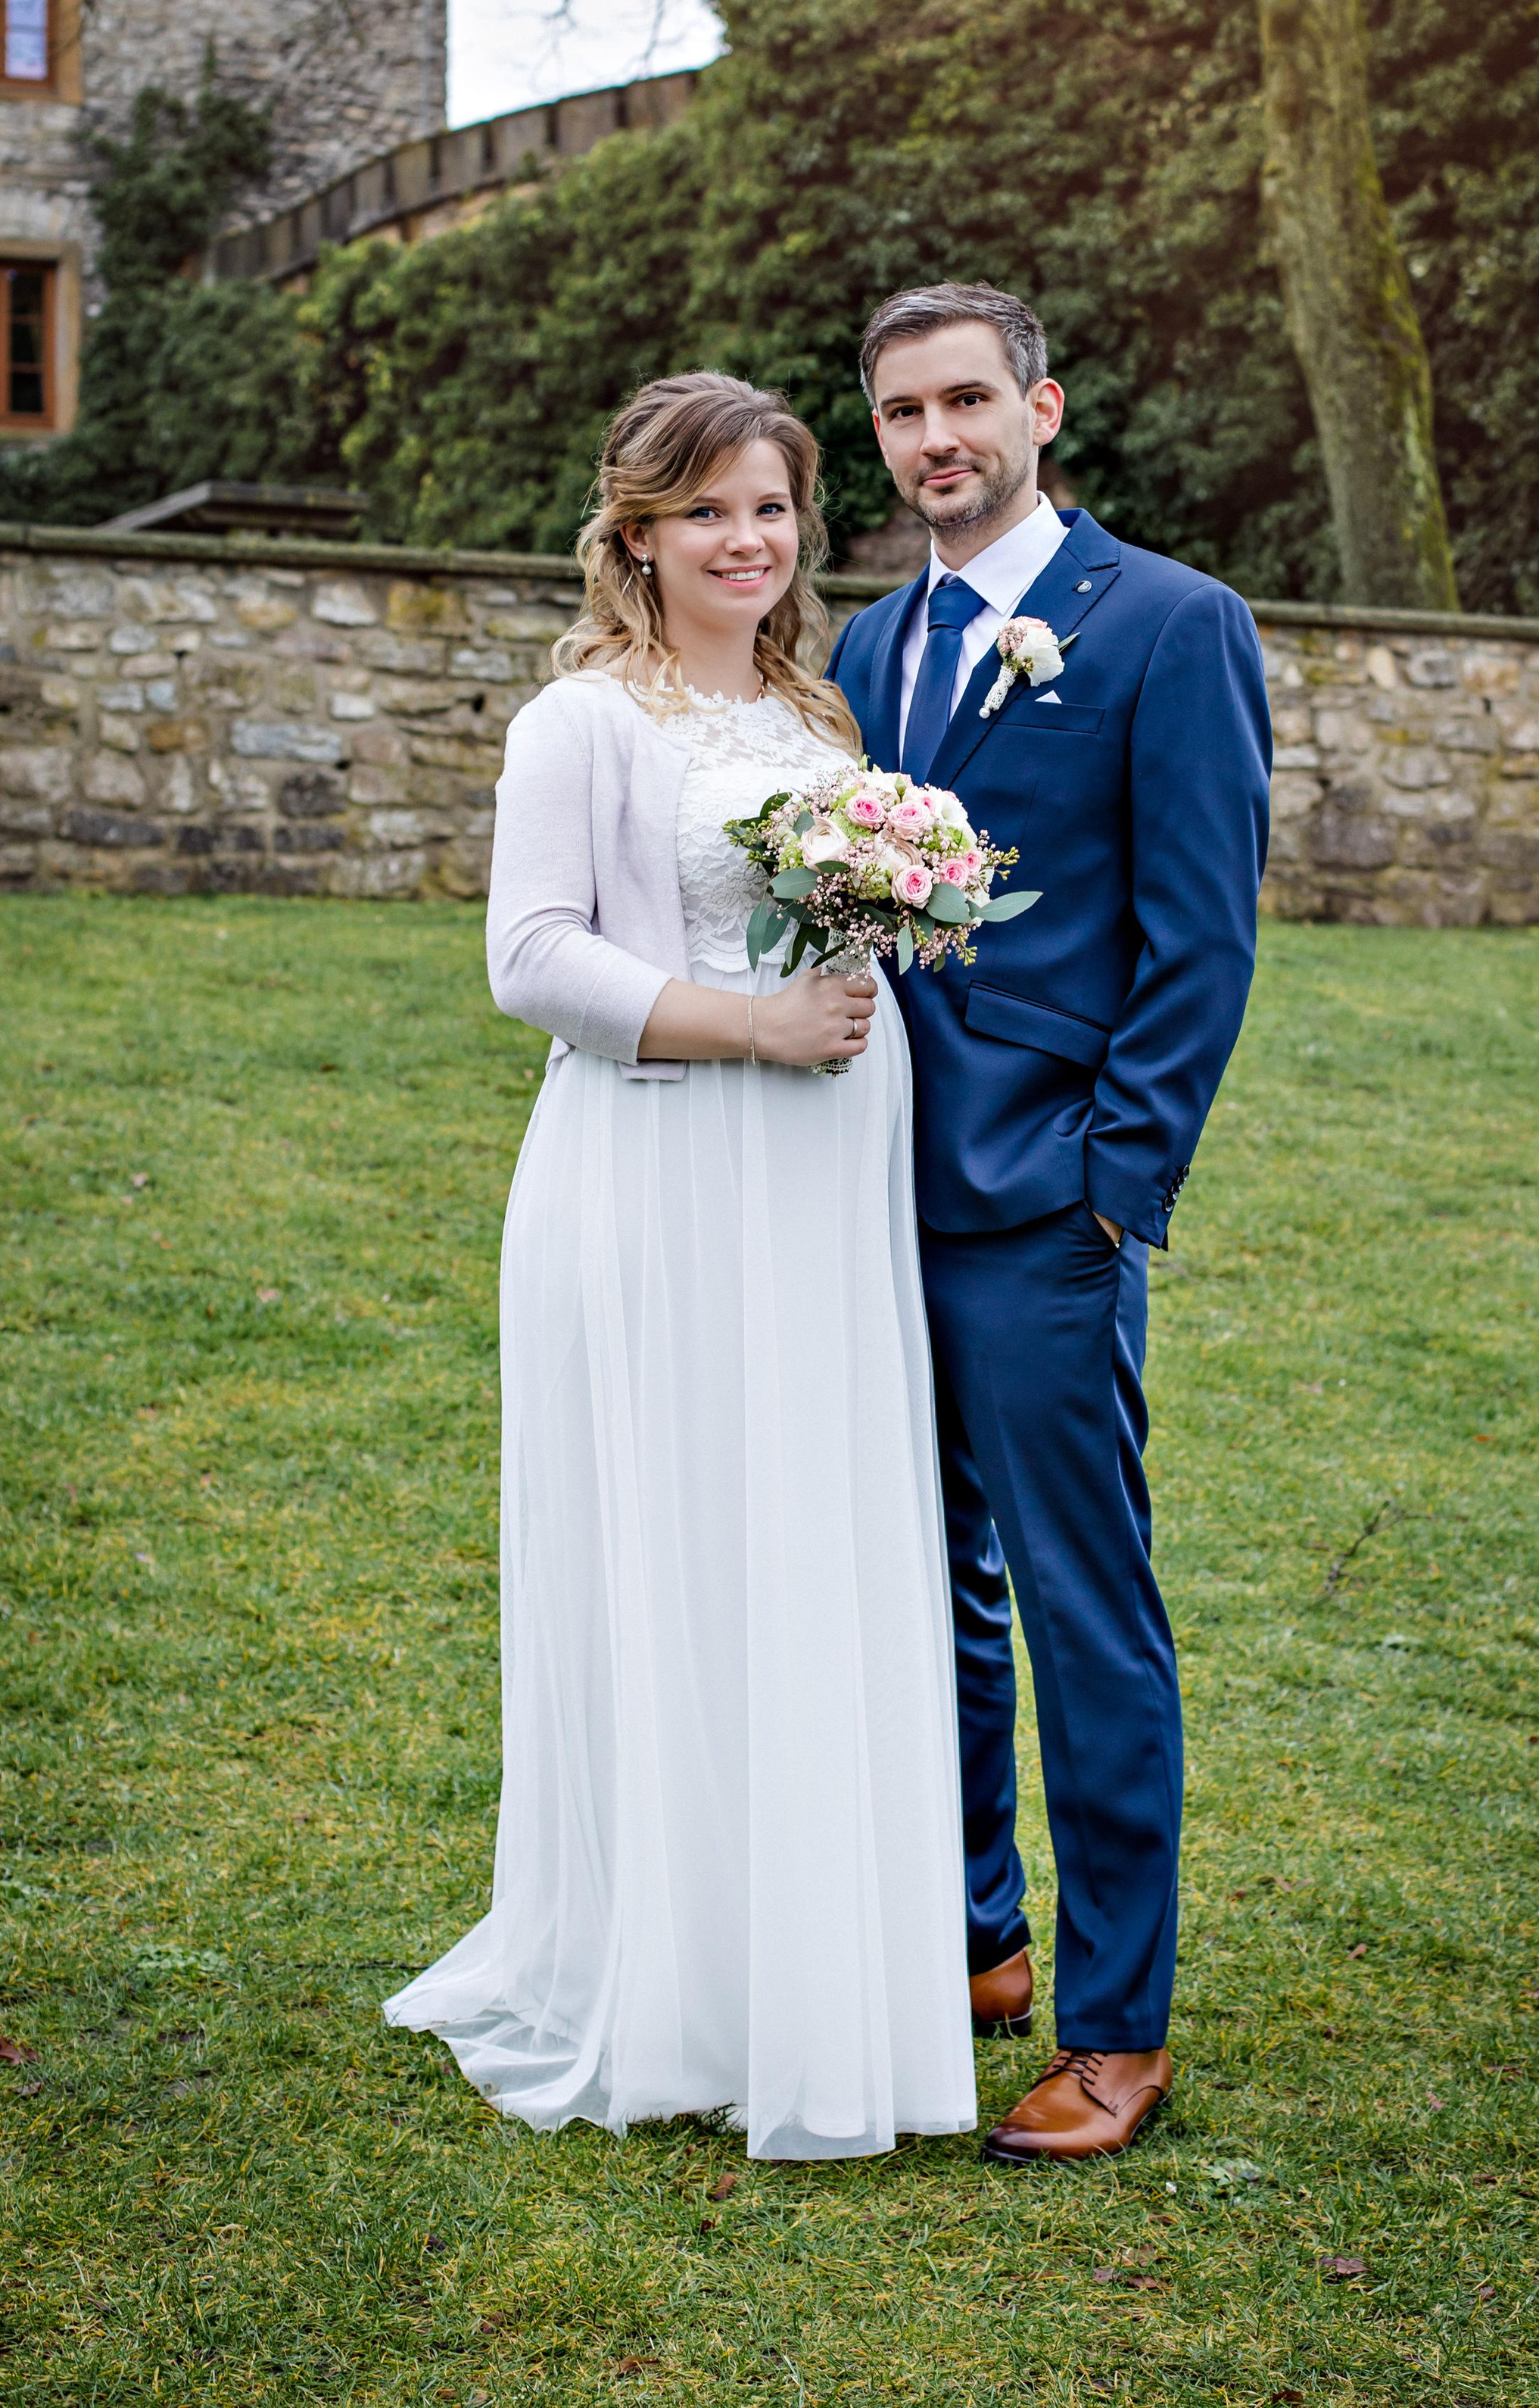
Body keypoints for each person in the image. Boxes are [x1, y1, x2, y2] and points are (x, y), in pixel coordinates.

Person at [383, 373, 976, 2162]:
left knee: (804, 1541)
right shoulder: (583, 723)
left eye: (775, 508)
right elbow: (528, 961)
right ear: (635, 532)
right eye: (709, 509)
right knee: (679, 1545)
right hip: (655, 1169)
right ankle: (672, 1975)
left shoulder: (819, 714)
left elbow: (850, 922)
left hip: (816, 1185)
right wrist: (747, 1023)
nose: (748, 540)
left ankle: (816, 1964)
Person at [829, 283, 1271, 2166]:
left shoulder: (1168, 625)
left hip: (1042, 1214)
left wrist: (1116, 1186)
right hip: (852, 1196)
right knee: (917, 1591)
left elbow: (1202, 935)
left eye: (964, 402)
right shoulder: (859, 640)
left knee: (1085, 1608)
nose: (936, 439)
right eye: (901, 414)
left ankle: (1116, 2025)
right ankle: (976, 1938)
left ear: (1041, 409)